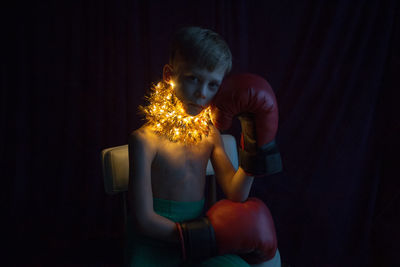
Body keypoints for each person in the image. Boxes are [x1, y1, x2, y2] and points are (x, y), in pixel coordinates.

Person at [125, 26, 281, 266]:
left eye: (213, 85)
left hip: (199, 240)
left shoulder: (209, 134)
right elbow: (143, 220)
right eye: (193, 78)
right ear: (169, 75)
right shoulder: (144, 140)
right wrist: (200, 239)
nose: (201, 93)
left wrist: (255, 146)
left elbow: (236, 192)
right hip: (155, 244)